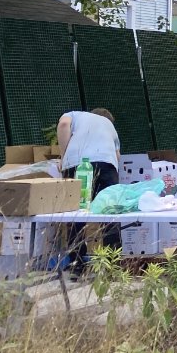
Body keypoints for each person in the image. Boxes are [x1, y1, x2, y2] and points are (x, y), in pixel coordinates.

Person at [56, 108, 122, 267]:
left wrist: (63, 157)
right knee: (109, 213)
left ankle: (76, 263)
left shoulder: (75, 115)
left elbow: (64, 124)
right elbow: (117, 156)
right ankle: (111, 264)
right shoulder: (109, 126)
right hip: (107, 165)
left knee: (75, 212)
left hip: (77, 165)